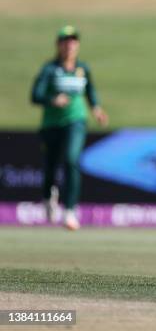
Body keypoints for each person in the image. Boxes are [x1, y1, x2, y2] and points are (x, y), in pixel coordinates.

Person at [31, 25, 109, 230]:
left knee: (72, 159)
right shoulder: (50, 69)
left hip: (76, 121)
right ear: (59, 45)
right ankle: (49, 196)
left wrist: (97, 109)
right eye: (65, 41)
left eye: (73, 41)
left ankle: (70, 210)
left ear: (77, 45)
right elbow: (35, 95)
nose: (69, 45)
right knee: (50, 166)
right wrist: (52, 99)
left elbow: (90, 90)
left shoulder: (82, 68)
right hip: (51, 125)